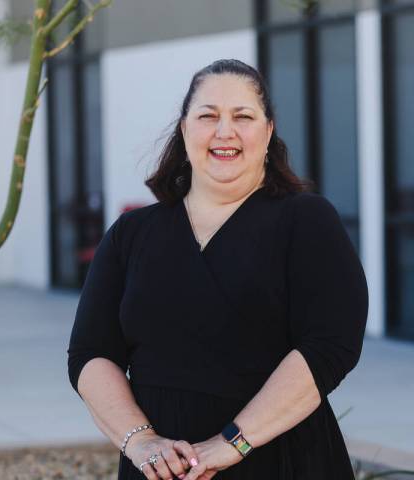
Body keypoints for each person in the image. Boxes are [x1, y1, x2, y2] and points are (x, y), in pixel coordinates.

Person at [67, 59, 369, 480]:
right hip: (159, 469)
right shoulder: (131, 234)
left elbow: (330, 345)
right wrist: (142, 443)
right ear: (185, 129)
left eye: (243, 116)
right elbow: (91, 353)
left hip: (279, 461)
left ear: (268, 131)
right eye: (208, 116)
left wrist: (233, 442)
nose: (224, 131)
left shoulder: (306, 221)